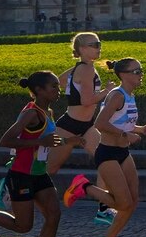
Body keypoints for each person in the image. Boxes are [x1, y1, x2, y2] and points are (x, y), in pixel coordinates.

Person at [0, 72, 70, 237]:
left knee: (54, 215)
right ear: (39, 90)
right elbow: (6, 140)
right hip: (21, 174)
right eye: (53, 86)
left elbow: (46, 139)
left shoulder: (46, 111)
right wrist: (41, 143)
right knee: (23, 226)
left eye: (58, 86)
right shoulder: (31, 113)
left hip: (39, 174)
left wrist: (70, 139)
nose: (57, 90)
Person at [62, 57, 146, 237]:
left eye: (141, 70)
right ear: (123, 75)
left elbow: (122, 123)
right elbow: (100, 123)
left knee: (133, 201)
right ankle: (84, 187)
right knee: (123, 204)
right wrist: (125, 135)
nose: (140, 75)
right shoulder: (117, 96)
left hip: (123, 153)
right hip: (108, 153)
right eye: (136, 71)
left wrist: (140, 129)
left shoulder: (129, 95)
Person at [41, 33, 108, 224]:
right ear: (82, 49)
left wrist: (77, 69)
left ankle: (104, 208)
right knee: (49, 169)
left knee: (106, 159)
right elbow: (87, 100)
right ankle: (13, 186)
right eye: (94, 44)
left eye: (99, 44)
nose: (98, 47)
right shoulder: (86, 69)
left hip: (87, 126)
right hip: (69, 126)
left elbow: (60, 81)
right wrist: (108, 91)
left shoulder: (86, 68)